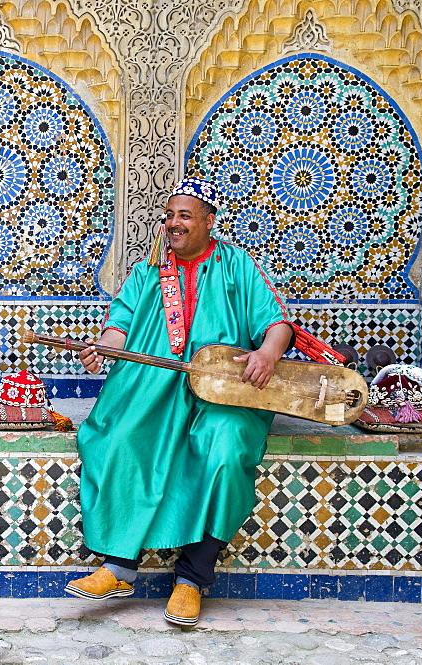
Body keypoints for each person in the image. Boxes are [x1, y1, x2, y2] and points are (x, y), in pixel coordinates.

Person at [65, 178, 294, 626]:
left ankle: (191, 579)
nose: (173, 223)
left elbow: (278, 322)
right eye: (169, 215)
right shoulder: (148, 270)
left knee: (225, 449)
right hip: (154, 386)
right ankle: (118, 566)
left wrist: (268, 352)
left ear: (210, 221)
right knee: (120, 437)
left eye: (184, 216)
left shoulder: (237, 266)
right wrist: (104, 348)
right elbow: (120, 324)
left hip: (224, 393)